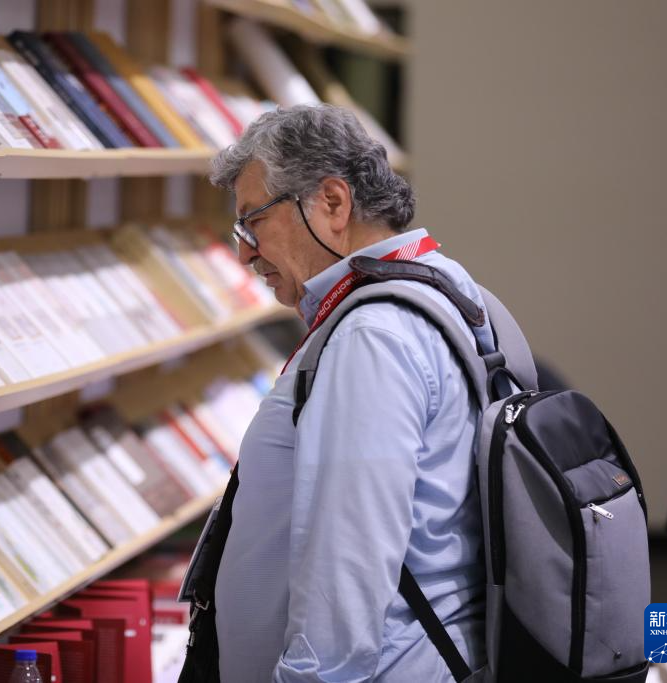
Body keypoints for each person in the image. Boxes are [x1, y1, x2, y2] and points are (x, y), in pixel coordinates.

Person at [207, 104, 490, 682]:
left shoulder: (371, 335)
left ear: (332, 203)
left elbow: (348, 567)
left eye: (253, 221)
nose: (244, 252)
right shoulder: (443, 283)